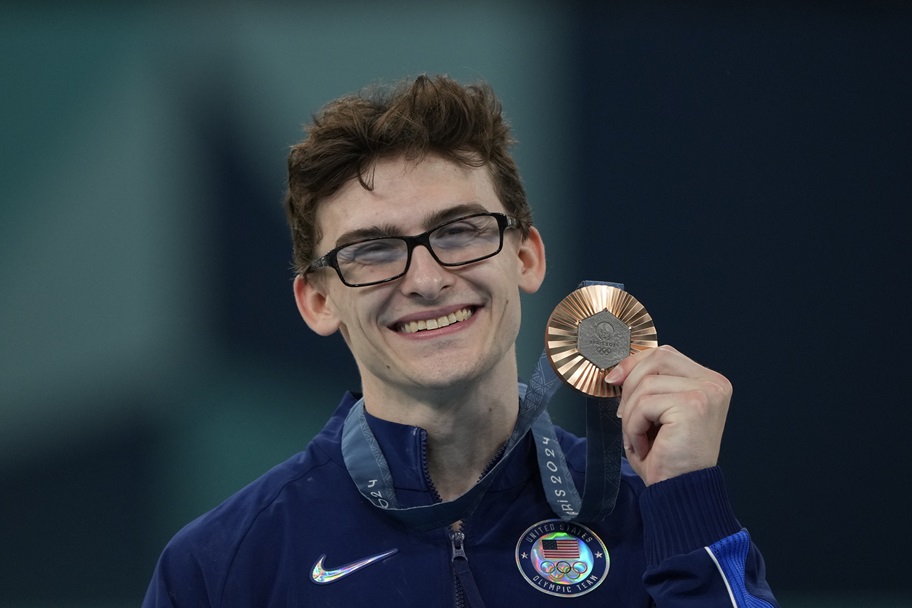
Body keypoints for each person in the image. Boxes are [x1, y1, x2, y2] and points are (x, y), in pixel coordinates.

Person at [142, 75, 778, 607]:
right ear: (318, 300)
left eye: (461, 231)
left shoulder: (651, 510)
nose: (426, 279)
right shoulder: (223, 566)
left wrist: (687, 498)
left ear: (526, 257)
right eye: (372, 250)